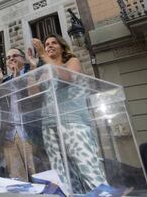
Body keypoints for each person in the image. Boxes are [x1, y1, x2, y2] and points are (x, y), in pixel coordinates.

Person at [29, 34, 107, 193]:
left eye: (53, 43)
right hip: (49, 125)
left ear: (62, 46)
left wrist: (43, 54)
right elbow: (32, 94)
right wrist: (32, 67)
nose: (49, 46)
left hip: (72, 122)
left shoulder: (72, 61)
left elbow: (67, 77)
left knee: (88, 168)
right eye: (46, 44)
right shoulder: (45, 72)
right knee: (61, 173)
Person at [0, 48, 36, 181]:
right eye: (8, 57)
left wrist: (18, 79)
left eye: (14, 55)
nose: (11, 59)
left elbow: (36, 98)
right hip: (9, 136)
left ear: (23, 58)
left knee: (37, 175)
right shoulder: (6, 81)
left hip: (29, 133)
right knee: (17, 179)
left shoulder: (32, 72)